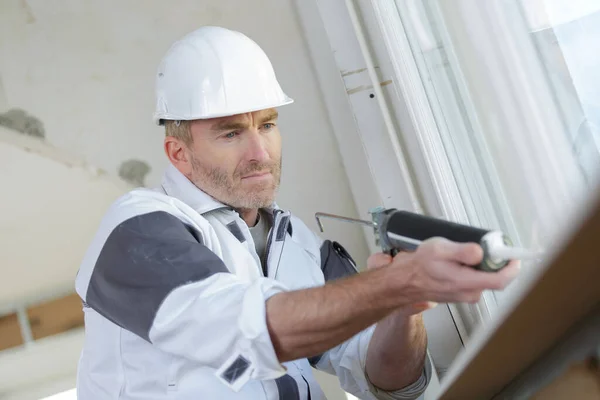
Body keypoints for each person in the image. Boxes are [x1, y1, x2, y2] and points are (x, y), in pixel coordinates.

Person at [74, 26, 519, 400]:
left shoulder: (299, 244)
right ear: (178, 154)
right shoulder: (137, 231)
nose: (258, 152)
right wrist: (394, 282)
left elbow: (387, 382)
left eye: (267, 125)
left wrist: (404, 307)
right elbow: (250, 328)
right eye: (230, 133)